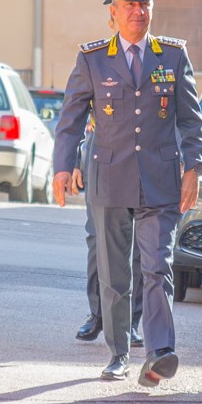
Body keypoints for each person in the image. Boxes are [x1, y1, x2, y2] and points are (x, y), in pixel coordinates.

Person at [52, 0, 202, 386]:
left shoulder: (172, 56)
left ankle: (160, 351)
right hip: (109, 181)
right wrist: (62, 167)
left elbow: (191, 121)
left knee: (158, 266)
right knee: (114, 274)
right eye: (130, 3)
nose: (139, 10)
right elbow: (70, 119)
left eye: (145, 2)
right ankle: (119, 353)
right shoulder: (93, 59)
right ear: (113, 13)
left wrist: (194, 167)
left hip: (160, 181)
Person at [72, 116, 144, 346]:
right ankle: (99, 314)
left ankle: (129, 321)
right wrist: (72, 161)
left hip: (143, 158)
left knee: (138, 246)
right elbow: (76, 112)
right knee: (97, 240)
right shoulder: (96, 76)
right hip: (101, 158)